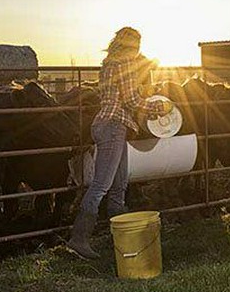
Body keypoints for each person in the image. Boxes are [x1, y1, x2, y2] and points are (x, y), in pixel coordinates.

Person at [67, 26, 173, 259]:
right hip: (114, 126)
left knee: (119, 185)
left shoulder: (108, 63)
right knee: (101, 186)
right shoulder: (125, 63)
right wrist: (158, 107)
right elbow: (132, 99)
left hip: (112, 126)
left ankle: (122, 237)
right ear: (132, 45)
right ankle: (79, 239)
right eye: (137, 45)